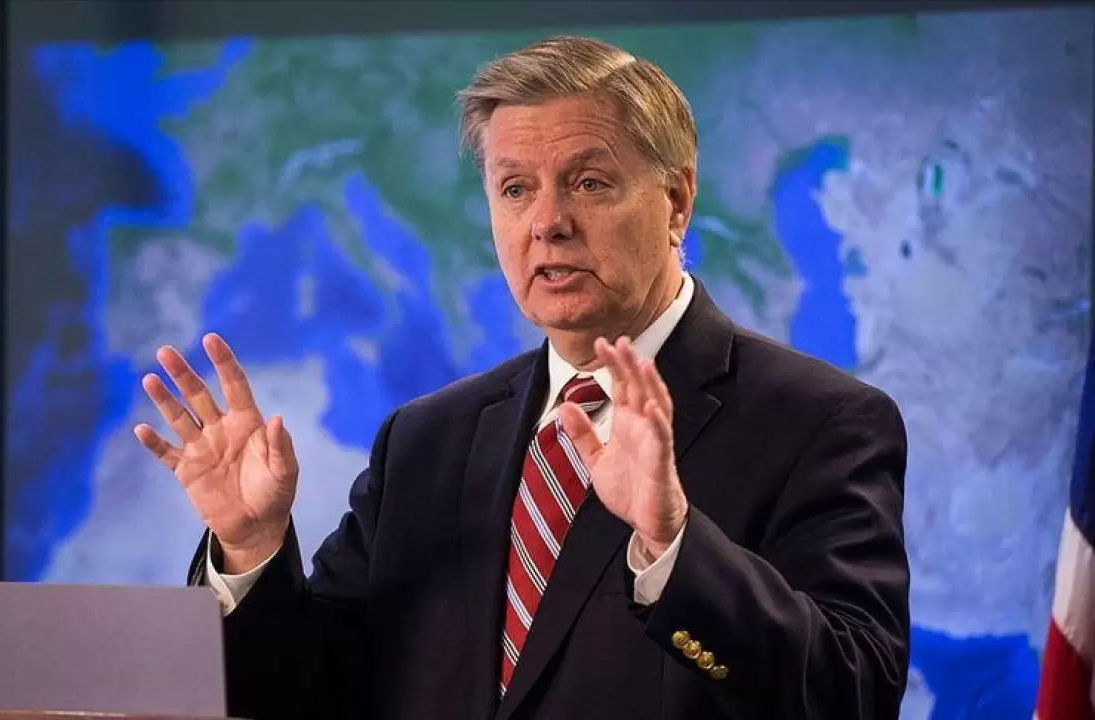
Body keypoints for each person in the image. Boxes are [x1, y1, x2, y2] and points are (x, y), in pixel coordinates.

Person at [134, 35, 910, 720]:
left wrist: (673, 543)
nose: (548, 222)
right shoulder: (425, 441)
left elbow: (852, 693)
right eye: (515, 189)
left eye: (589, 182)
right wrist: (251, 548)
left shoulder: (821, 423)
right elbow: (313, 692)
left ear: (676, 202)